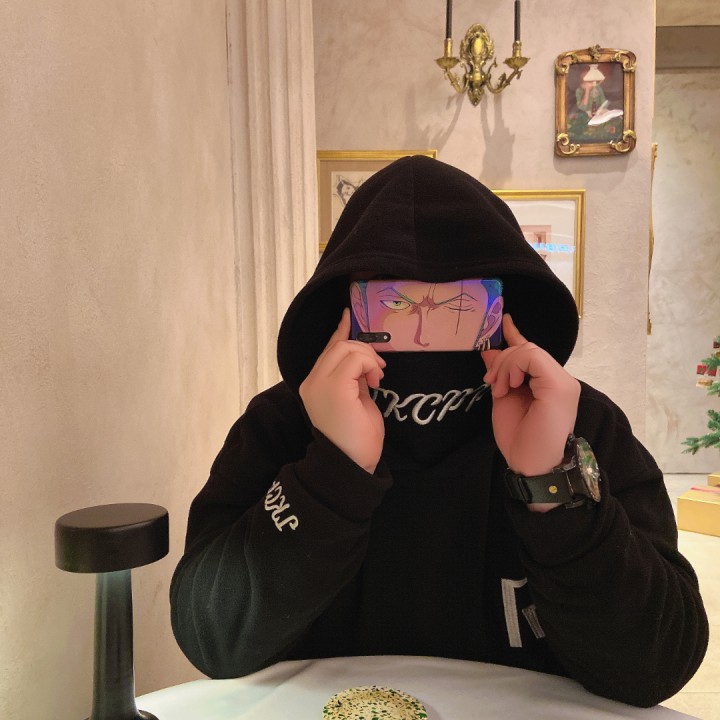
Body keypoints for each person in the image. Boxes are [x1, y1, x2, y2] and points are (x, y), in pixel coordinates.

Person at [170, 156, 708, 707]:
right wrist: (332, 473)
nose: (425, 337)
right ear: (345, 309)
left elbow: (658, 664)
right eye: (394, 306)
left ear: (503, 309)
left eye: (458, 309)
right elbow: (211, 638)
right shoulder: (282, 422)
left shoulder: (576, 421)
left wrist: (552, 482)